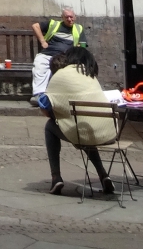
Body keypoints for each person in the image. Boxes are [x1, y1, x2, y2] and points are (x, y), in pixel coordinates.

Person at [43, 46, 115, 196]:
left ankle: (56, 177)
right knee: (86, 127)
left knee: (50, 127)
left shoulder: (60, 75)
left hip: (83, 133)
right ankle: (103, 175)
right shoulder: (88, 74)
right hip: (109, 132)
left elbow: (45, 106)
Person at [31, 6, 84, 101]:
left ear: (75, 17)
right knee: (39, 65)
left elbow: (82, 45)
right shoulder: (53, 24)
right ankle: (38, 95)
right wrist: (43, 41)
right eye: (66, 17)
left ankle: (58, 96)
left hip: (65, 57)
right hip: (47, 54)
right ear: (62, 17)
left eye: (71, 17)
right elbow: (35, 26)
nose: (69, 19)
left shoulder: (79, 28)